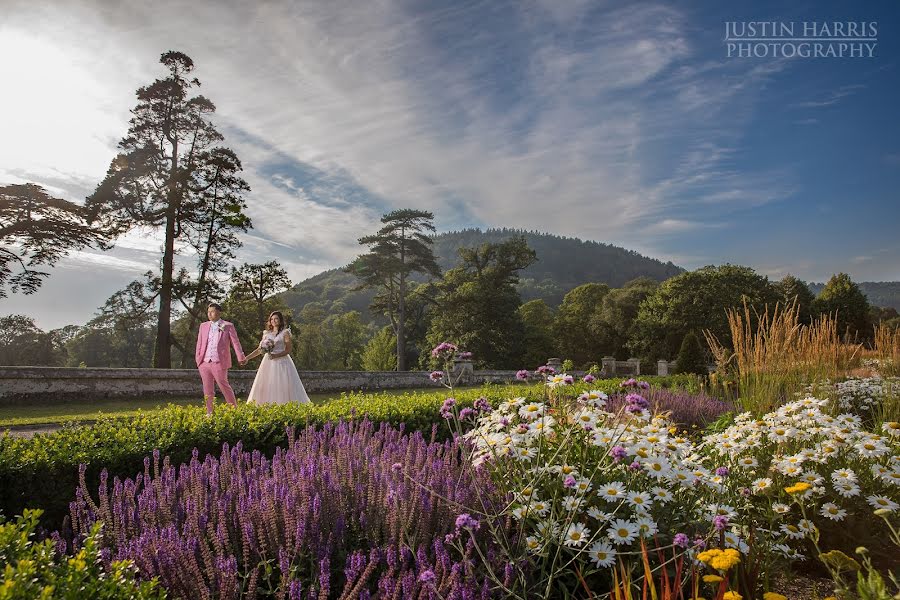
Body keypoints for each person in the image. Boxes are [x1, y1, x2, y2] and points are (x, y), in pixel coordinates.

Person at [243, 310, 311, 405]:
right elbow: (259, 350)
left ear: (280, 320)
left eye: (276, 319)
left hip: (282, 362)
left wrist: (276, 355)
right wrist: (247, 358)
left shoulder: (285, 333)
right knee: (267, 384)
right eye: (272, 319)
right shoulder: (266, 333)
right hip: (268, 362)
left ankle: (284, 405)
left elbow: (288, 350)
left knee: (283, 384)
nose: (274, 321)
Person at [195, 302, 246, 415]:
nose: (209, 314)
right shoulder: (203, 326)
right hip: (204, 362)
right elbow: (199, 343)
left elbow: (235, 342)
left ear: (218, 312)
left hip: (219, 361)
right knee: (207, 389)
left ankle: (233, 410)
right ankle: (209, 412)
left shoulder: (228, 326)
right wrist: (198, 359)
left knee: (224, 385)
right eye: (208, 312)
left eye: (212, 311)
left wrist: (240, 356)